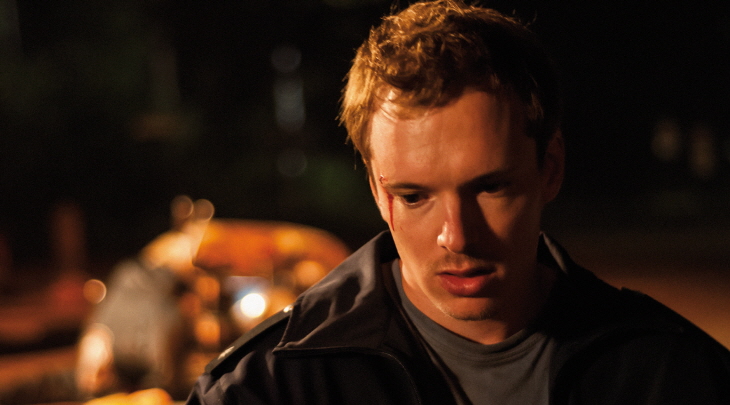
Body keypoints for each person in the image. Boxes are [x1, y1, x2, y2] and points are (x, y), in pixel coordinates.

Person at [186, 1, 730, 404]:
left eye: (490, 187)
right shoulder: (270, 388)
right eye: (414, 196)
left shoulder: (673, 375)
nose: (458, 236)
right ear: (378, 191)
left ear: (550, 167)